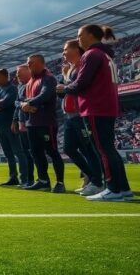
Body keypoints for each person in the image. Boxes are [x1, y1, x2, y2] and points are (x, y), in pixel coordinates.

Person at [60, 25, 133, 201]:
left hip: (95, 106)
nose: (78, 39)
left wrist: (63, 88)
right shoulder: (105, 54)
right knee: (108, 149)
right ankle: (123, 189)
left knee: (103, 150)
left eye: (80, 35)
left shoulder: (91, 54)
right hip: (106, 106)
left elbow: (81, 83)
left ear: (91, 35)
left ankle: (113, 189)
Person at [58, 39, 103, 196]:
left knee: (89, 148)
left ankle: (97, 181)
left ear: (76, 50)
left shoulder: (82, 65)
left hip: (81, 114)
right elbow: (64, 90)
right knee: (69, 148)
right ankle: (92, 177)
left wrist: (65, 83)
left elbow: (79, 85)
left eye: (65, 49)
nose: (63, 53)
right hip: (70, 115)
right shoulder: (70, 68)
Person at [21, 55, 65, 193]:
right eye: (28, 64)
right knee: (36, 153)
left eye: (31, 63)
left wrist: (28, 103)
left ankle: (60, 182)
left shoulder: (49, 78)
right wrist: (24, 104)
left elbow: (45, 95)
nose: (28, 66)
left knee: (52, 152)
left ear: (40, 63)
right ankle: (43, 181)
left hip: (46, 122)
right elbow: (18, 100)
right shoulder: (30, 81)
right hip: (31, 123)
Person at [0, 69, 29, 186]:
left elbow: (7, 102)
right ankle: (13, 177)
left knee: (18, 153)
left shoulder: (12, 88)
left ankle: (24, 179)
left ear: (6, 76)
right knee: (8, 154)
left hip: (10, 125)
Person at [12, 65, 35, 188]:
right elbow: (16, 103)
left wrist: (21, 103)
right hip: (22, 123)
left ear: (28, 71)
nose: (17, 75)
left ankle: (41, 179)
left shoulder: (33, 83)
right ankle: (29, 180)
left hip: (32, 122)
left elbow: (28, 101)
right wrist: (15, 120)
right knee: (26, 153)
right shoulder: (20, 86)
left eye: (19, 73)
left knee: (34, 153)